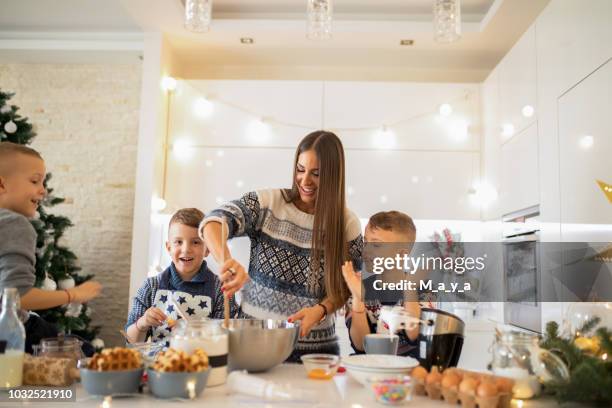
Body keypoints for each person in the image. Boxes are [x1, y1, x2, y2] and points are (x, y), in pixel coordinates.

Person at [200, 130, 362, 360]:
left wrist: (321, 310)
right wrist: (225, 260)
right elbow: (214, 221)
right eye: (300, 169)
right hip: (253, 347)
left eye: (316, 174)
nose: (305, 181)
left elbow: (349, 286)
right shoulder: (268, 203)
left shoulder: (347, 224)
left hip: (314, 357)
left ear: (334, 176)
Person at [0, 142, 102, 352]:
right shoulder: (13, 224)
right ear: (1, 185)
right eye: (35, 181)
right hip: (12, 337)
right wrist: (73, 294)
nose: (43, 190)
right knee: (85, 353)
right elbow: (17, 297)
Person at [126, 208, 239, 346]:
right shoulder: (151, 286)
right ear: (168, 248)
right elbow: (130, 342)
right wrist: (142, 323)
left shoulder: (221, 289)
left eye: (196, 242)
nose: (186, 249)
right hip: (161, 364)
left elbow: (227, 342)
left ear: (208, 249)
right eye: (178, 242)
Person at [342, 211, 421, 357]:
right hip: (368, 374)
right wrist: (358, 298)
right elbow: (360, 346)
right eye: (366, 242)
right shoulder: (357, 285)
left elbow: (414, 335)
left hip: (406, 375)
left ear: (402, 254)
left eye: (377, 245)